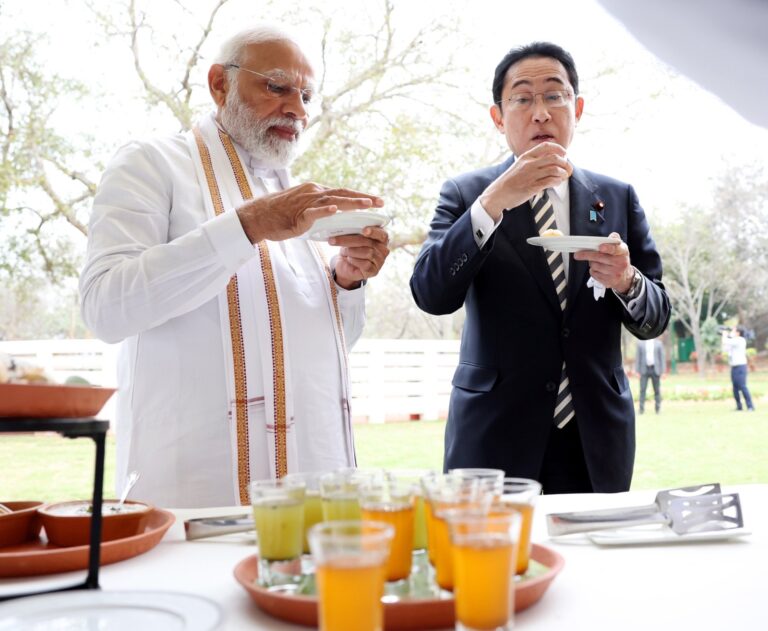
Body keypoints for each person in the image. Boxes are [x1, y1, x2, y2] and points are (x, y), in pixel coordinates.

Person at [79, 25, 390, 508]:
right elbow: (105, 308)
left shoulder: (291, 199)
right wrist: (247, 226)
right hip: (195, 485)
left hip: (314, 488)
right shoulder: (152, 164)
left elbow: (325, 347)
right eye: (277, 86)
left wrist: (347, 281)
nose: (298, 109)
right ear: (219, 84)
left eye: (306, 95)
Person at [410, 42, 671, 494]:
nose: (541, 112)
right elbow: (431, 294)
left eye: (555, 95)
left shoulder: (617, 197)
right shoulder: (466, 192)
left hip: (595, 437)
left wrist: (627, 282)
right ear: (498, 116)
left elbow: (658, 316)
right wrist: (492, 203)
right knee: (494, 563)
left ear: (577, 107)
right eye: (523, 97)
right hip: (494, 436)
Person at [722, 327, 755, 411]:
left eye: (734, 331)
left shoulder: (740, 340)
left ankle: (750, 406)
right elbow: (725, 348)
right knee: (735, 387)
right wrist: (727, 337)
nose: (732, 332)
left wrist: (725, 334)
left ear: (738, 333)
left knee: (743, 386)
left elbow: (726, 341)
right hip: (734, 367)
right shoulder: (733, 341)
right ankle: (739, 406)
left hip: (741, 366)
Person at [635, 338, 665, 414]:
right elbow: (638, 358)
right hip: (644, 370)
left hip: (655, 369)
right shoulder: (640, 343)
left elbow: (662, 358)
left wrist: (663, 371)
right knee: (642, 390)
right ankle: (641, 410)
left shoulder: (659, 343)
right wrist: (637, 371)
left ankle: (658, 409)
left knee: (657, 390)